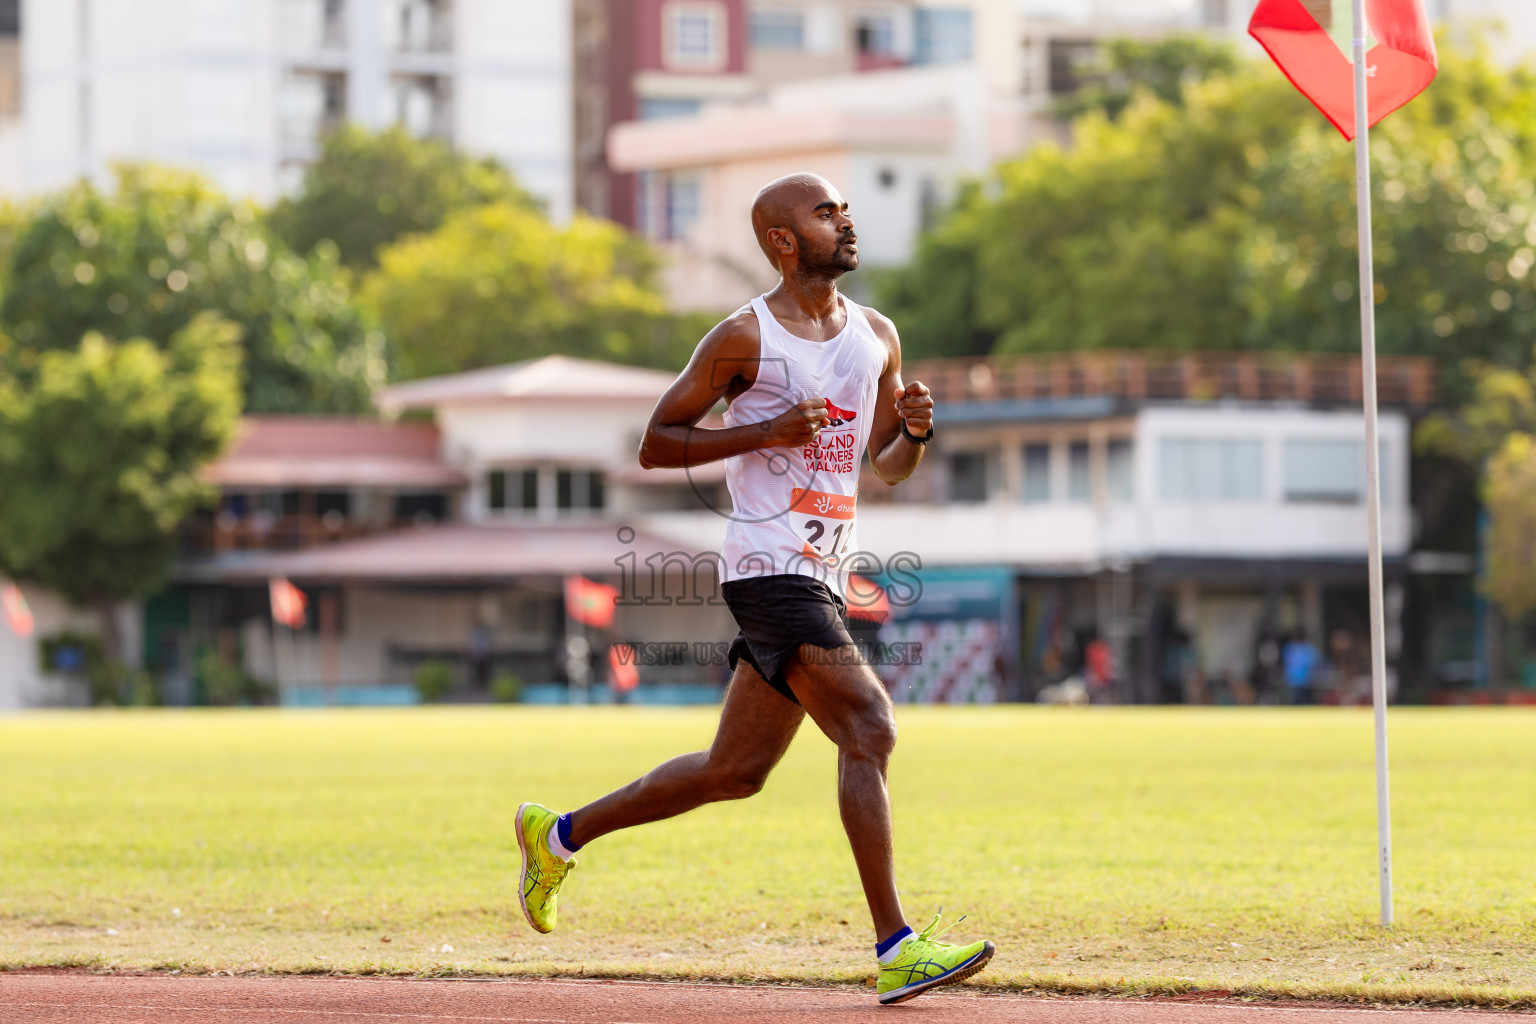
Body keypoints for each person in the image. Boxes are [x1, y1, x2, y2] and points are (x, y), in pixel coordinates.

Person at [515, 173, 993, 1005]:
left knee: (733, 772)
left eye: (843, 209)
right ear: (781, 239)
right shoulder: (745, 337)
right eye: (825, 212)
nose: (844, 222)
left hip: (825, 572)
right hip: (768, 567)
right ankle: (897, 946)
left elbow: (885, 465)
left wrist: (915, 430)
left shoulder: (877, 334)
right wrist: (765, 429)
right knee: (869, 728)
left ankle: (556, 837)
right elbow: (656, 444)